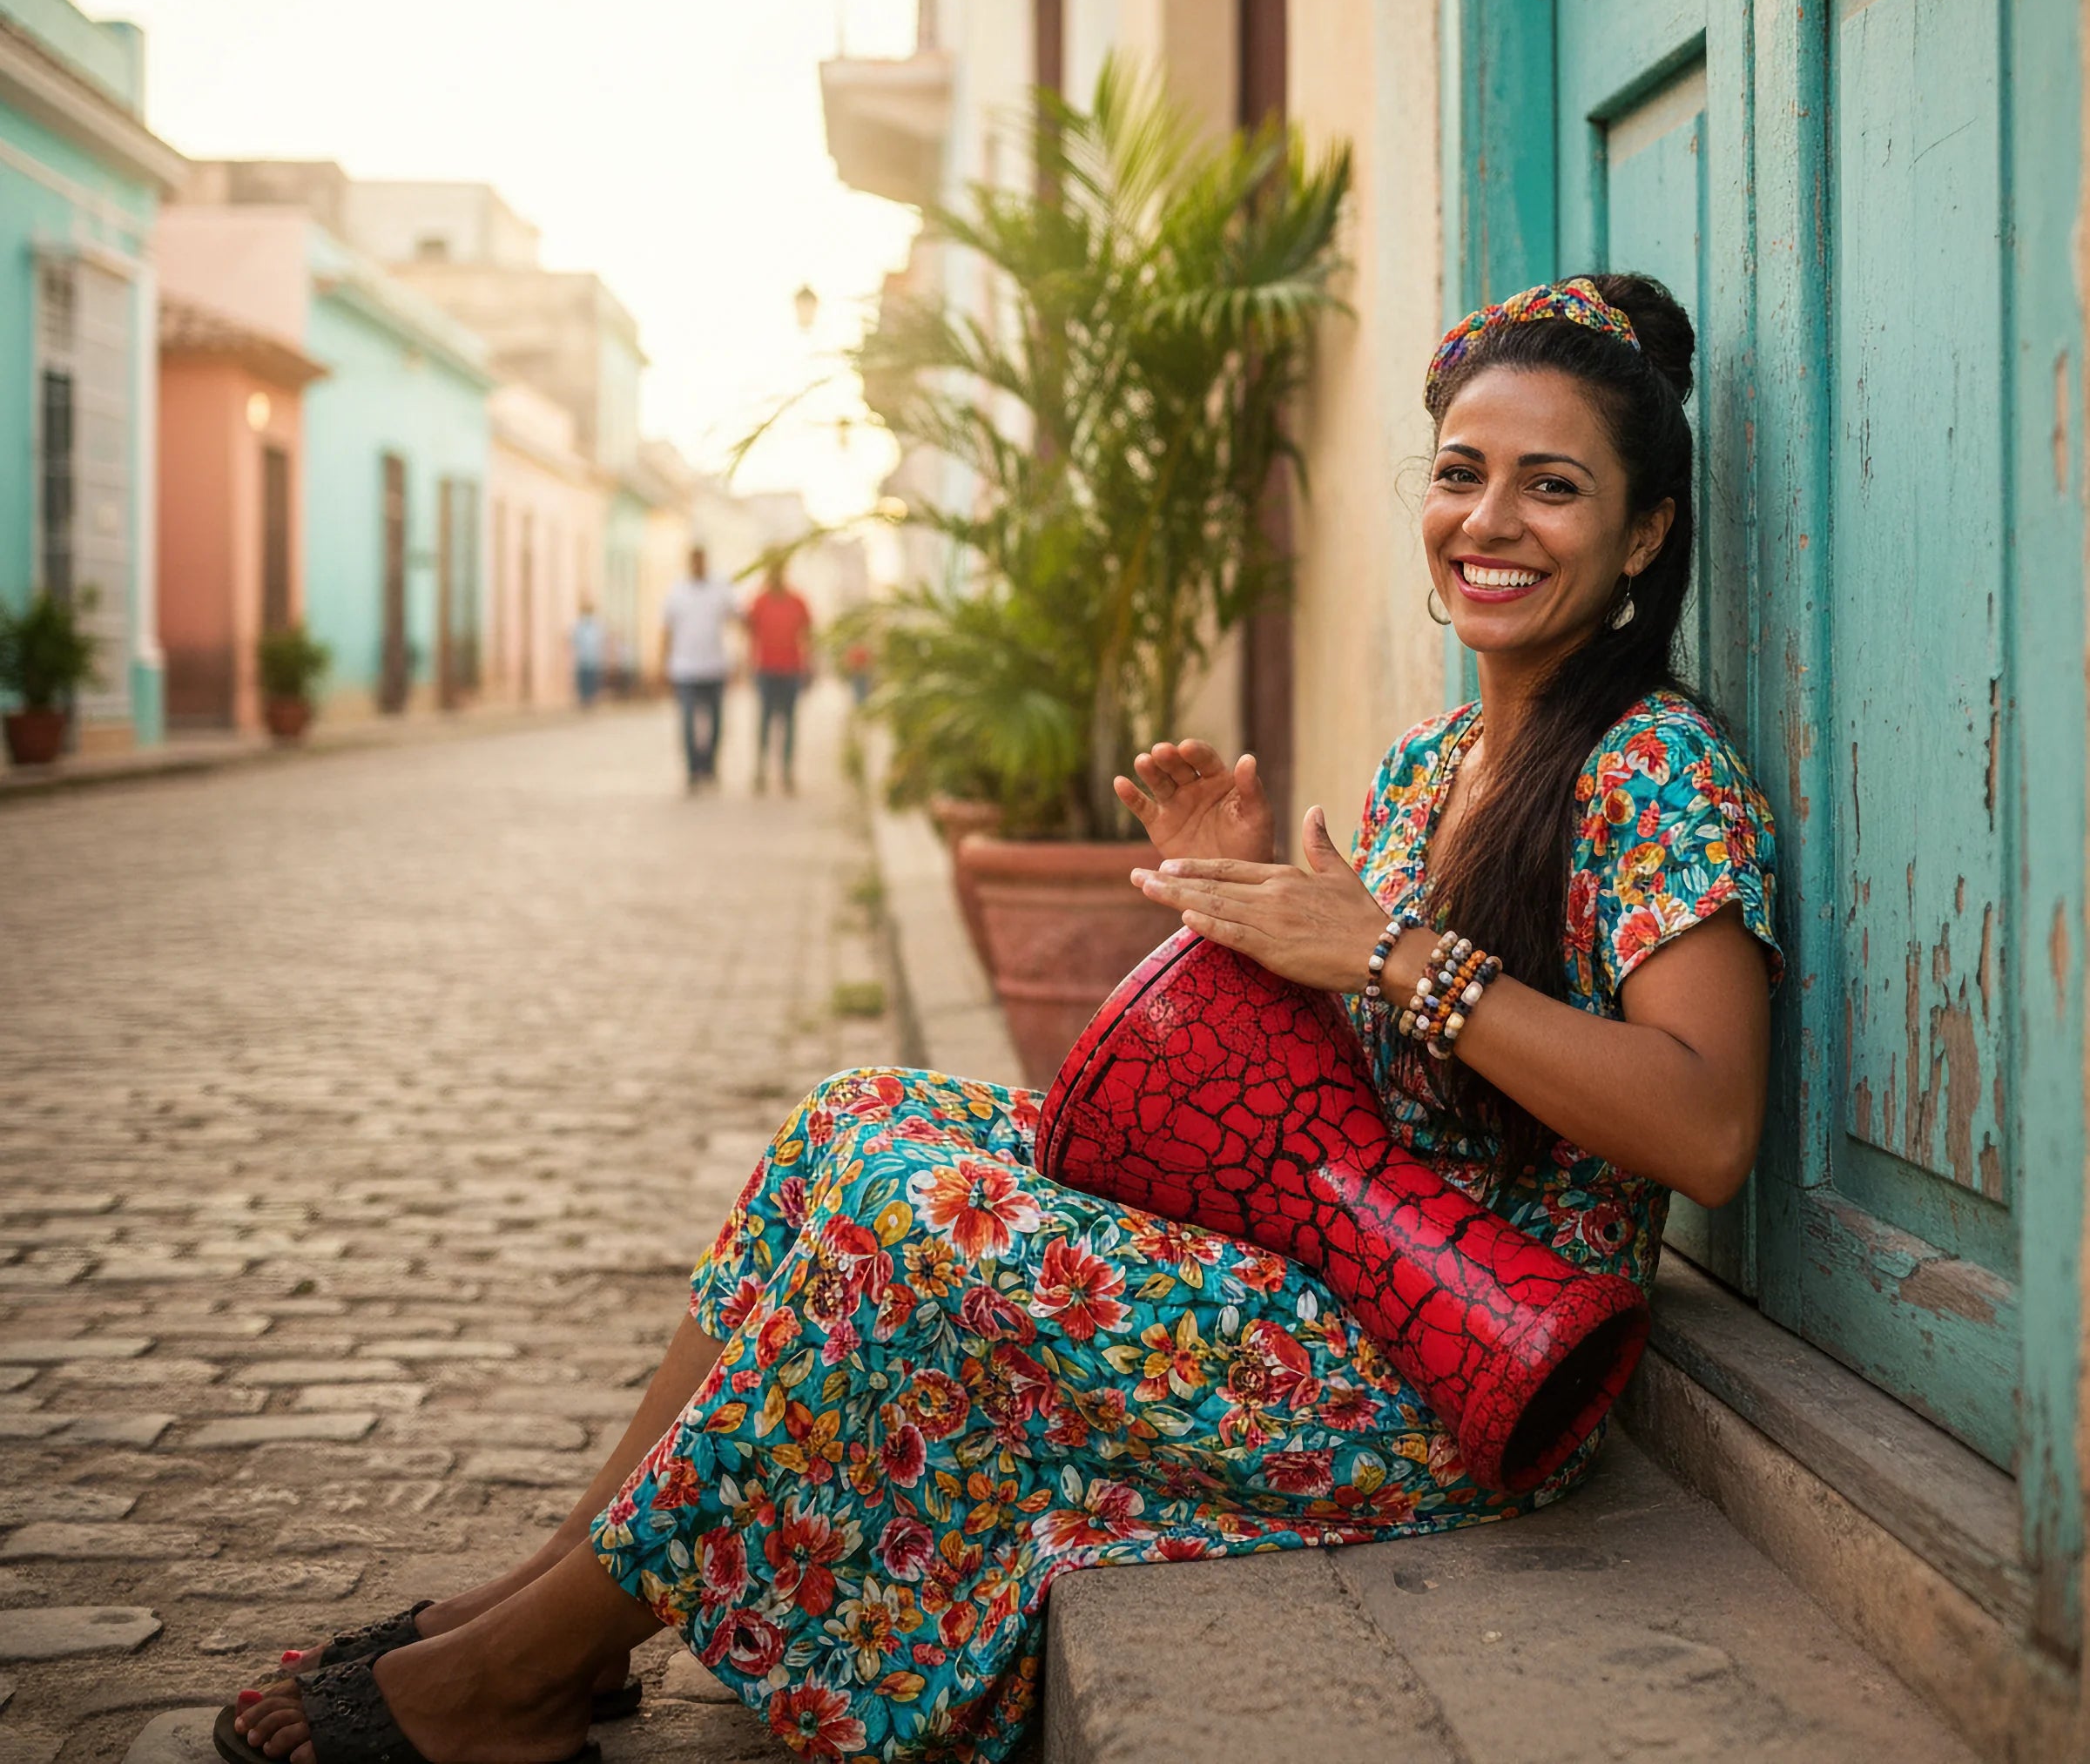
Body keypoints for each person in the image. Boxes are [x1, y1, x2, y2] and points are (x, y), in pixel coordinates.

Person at [224, 273, 1778, 1764]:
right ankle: (566, 1601)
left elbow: (1705, 1126)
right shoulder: (1432, 765)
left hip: (1465, 1357)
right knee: (854, 1125)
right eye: (1460, 473)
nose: (1489, 522)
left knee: (926, 1219)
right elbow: (1363, 1089)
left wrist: (1386, 952)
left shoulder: (1654, 771)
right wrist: (1244, 909)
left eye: (1552, 488)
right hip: (1338, 1267)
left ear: (1644, 530)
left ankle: (514, 1672)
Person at [659, 546, 738, 789]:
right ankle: (693, 770)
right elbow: (666, 629)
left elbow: (737, 617)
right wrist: (663, 662)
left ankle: (709, 766)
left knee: (716, 723)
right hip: (684, 668)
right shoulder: (677, 592)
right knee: (688, 723)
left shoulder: (720, 589)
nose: (698, 565)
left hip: (714, 667)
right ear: (689, 563)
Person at [744, 558, 813, 794]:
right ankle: (761, 771)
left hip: (791, 669)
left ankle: (786, 772)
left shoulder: (798, 601)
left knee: (789, 722)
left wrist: (810, 664)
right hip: (765, 669)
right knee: (764, 722)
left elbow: (808, 633)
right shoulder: (759, 601)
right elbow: (749, 632)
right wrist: (749, 663)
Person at [570, 602, 603, 709]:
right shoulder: (579, 624)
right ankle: (584, 698)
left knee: (591, 679)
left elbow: (600, 640)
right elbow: (574, 638)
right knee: (583, 679)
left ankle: (590, 698)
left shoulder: (596, 625)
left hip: (593, 657)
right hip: (582, 657)